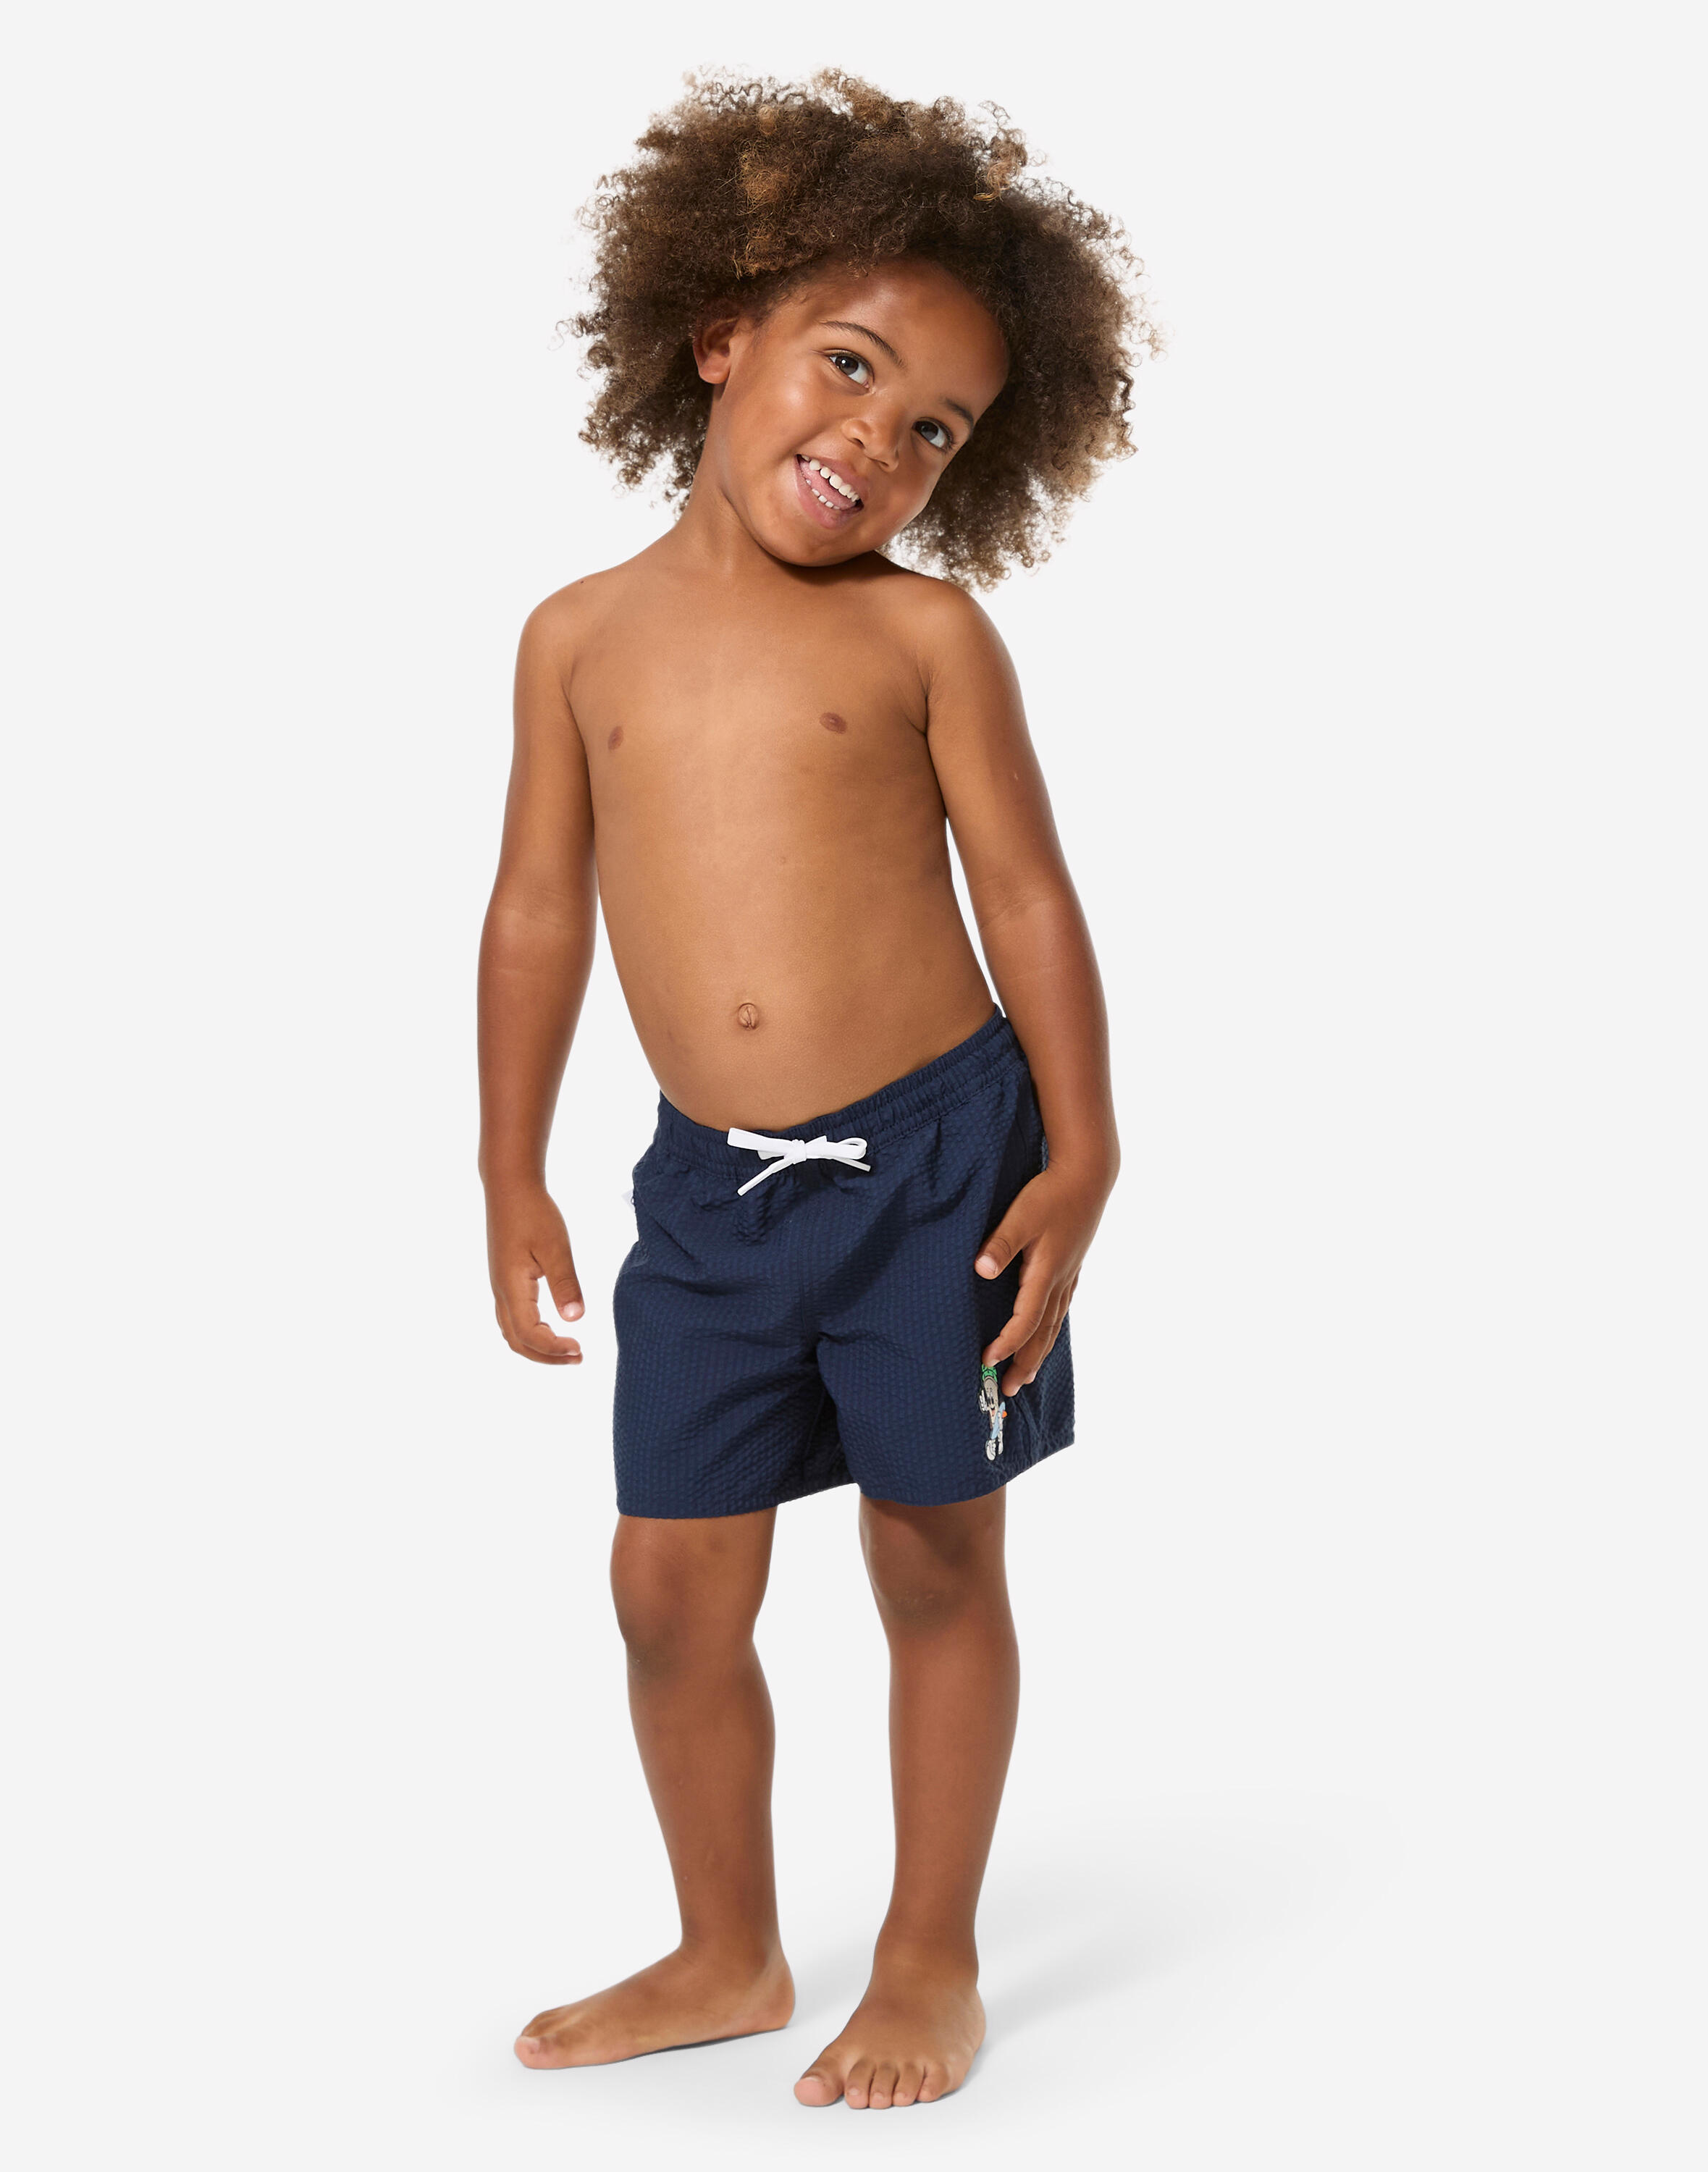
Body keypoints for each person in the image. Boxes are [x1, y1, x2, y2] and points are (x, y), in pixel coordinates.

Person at [479, 72, 1145, 2111]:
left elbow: (1027, 898)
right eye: (850, 367)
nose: (879, 437)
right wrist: (508, 1170)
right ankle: (728, 1945)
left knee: (937, 1560)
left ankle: (930, 1954)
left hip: (943, 1164)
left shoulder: (930, 637)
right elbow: (535, 917)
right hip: (712, 1196)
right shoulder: (576, 639)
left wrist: (1088, 1151)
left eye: (935, 426)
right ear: (717, 333)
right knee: (665, 1582)